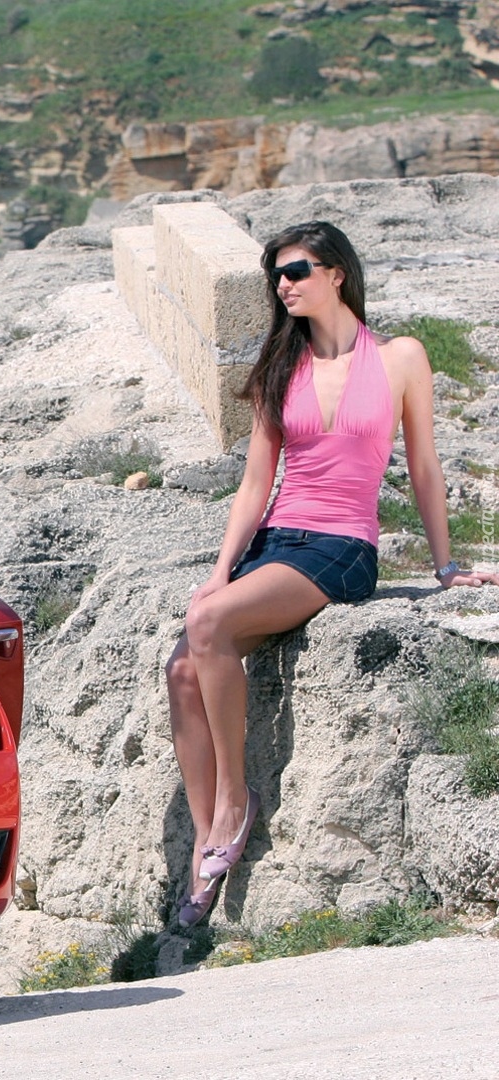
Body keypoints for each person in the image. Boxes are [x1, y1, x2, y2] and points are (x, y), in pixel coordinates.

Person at [165, 221, 497, 929]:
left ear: (336, 272)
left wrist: (446, 566)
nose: (283, 285)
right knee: (185, 669)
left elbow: (427, 468)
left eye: (296, 271)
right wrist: (221, 569)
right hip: (278, 540)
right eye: (277, 276)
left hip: (342, 545)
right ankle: (205, 838)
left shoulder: (401, 357)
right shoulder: (281, 367)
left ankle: (233, 803)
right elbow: (256, 483)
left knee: (209, 627)